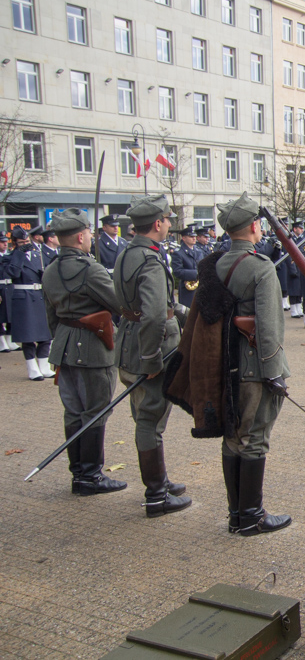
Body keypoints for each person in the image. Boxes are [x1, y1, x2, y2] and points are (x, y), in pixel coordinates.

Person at [215, 193, 292, 536]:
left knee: (232, 437)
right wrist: (274, 372)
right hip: (253, 367)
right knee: (255, 437)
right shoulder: (259, 267)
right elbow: (269, 326)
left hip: (224, 364)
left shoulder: (214, 263)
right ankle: (251, 517)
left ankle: (236, 514)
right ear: (253, 226)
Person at [114, 194, 191, 517]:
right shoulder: (148, 260)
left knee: (145, 417)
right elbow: (155, 316)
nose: (170, 224)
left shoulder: (127, 253)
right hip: (150, 351)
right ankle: (156, 495)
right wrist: (151, 361)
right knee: (149, 420)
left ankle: (158, 478)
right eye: (168, 220)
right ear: (157, 224)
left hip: (130, 344)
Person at [41, 208, 127, 496]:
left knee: (74, 412)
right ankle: (91, 476)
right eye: (89, 232)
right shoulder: (90, 269)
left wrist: (61, 342)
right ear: (80, 236)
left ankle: (79, 473)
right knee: (95, 412)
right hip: (92, 347)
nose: (91, 237)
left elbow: (51, 316)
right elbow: (119, 304)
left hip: (64, 347)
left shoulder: (51, 269)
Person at [8, 225, 54, 380]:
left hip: (39, 295)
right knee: (28, 336)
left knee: (45, 334)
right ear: (15, 243)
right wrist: (19, 254)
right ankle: (32, 368)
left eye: (26, 241)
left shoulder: (37, 255)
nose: (26, 244)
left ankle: (44, 365)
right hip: (23, 297)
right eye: (22, 242)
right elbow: (12, 272)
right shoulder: (10, 257)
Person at [171, 225, 203, 308]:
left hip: (200, 287)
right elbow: (177, 271)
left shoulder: (199, 251)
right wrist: (196, 274)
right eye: (191, 236)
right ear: (184, 238)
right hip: (188, 289)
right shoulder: (178, 253)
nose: (194, 238)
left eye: (195, 236)